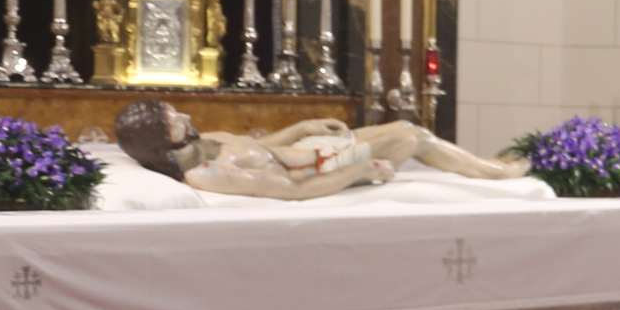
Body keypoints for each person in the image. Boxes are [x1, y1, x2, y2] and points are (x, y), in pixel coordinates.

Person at [112, 101, 530, 199]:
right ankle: (495, 173)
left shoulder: (208, 140)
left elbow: (260, 146)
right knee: (411, 135)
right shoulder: (206, 175)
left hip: (313, 149)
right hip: (322, 166)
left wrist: (302, 127)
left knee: (407, 130)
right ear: (160, 140)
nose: (184, 116)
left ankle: (488, 167)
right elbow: (292, 188)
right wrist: (358, 172)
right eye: (173, 119)